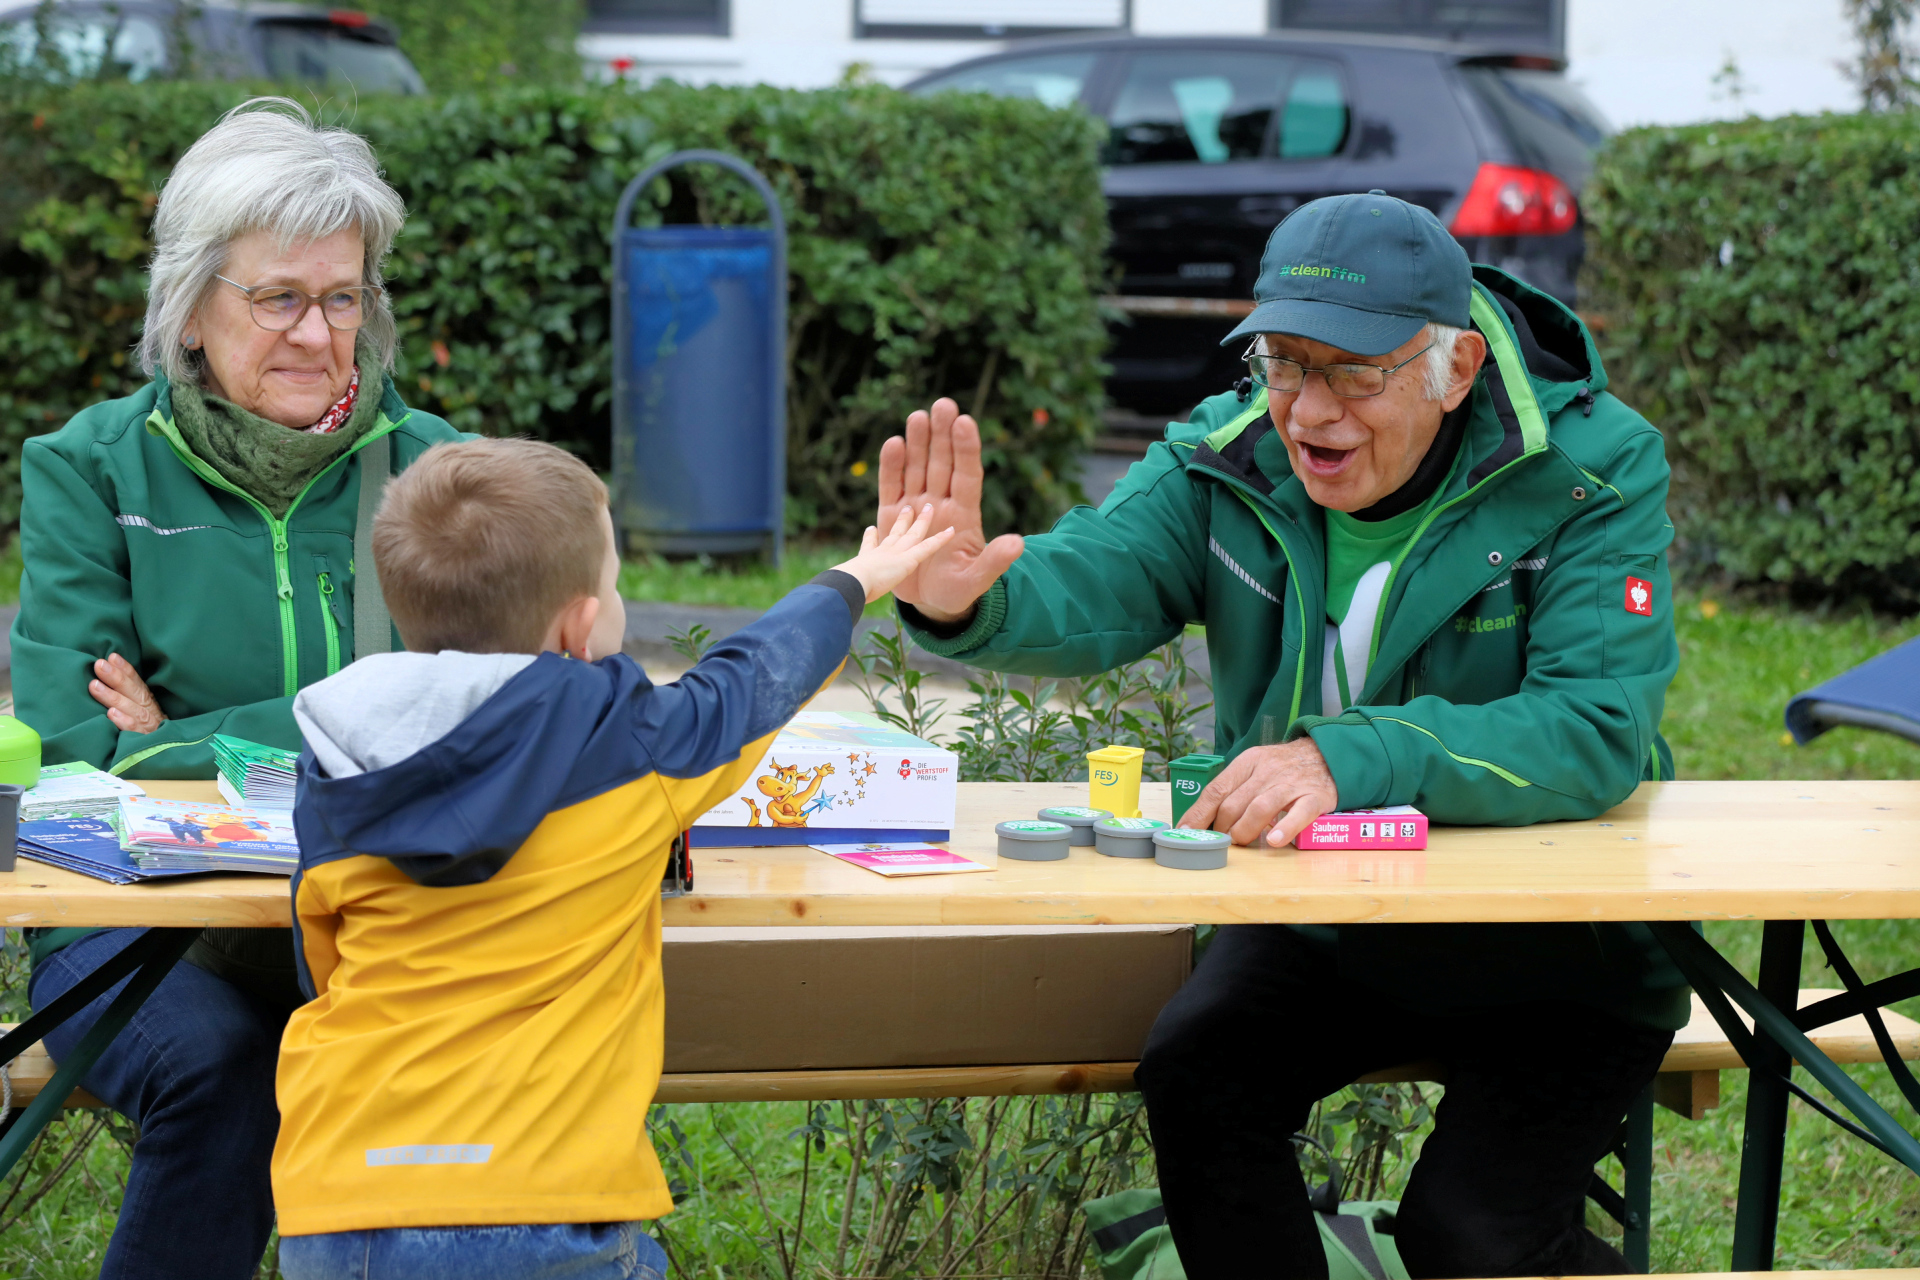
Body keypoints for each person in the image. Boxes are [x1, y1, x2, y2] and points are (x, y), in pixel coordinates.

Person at [876, 191, 1684, 1277]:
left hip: (1559, 944)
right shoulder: (1230, 453)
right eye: (1285, 362)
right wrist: (963, 601)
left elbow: (1595, 727)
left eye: (1355, 372)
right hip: (1318, 917)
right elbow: (1098, 575)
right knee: (1198, 1073)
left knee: (1470, 1231)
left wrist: (1349, 757)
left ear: (1454, 370)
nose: (1309, 411)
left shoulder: (1591, 467)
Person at [272, 438, 951, 1280]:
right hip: (543, 1203)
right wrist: (854, 580)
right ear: (580, 625)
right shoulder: (629, 742)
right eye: (617, 580)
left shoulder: (335, 752)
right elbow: (750, 684)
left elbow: (319, 962)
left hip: (340, 1203)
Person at [9, 98, 464, 1278]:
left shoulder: (435, 473)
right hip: (146, 929)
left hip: (384, 920)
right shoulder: (90, 469)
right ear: (192, 309)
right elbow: (70, 757)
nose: (320, 335)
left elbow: (475, 716)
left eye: (344, 295)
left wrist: (182, 733)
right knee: (225, 1068)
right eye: (279, 298)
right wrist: (364, 709)